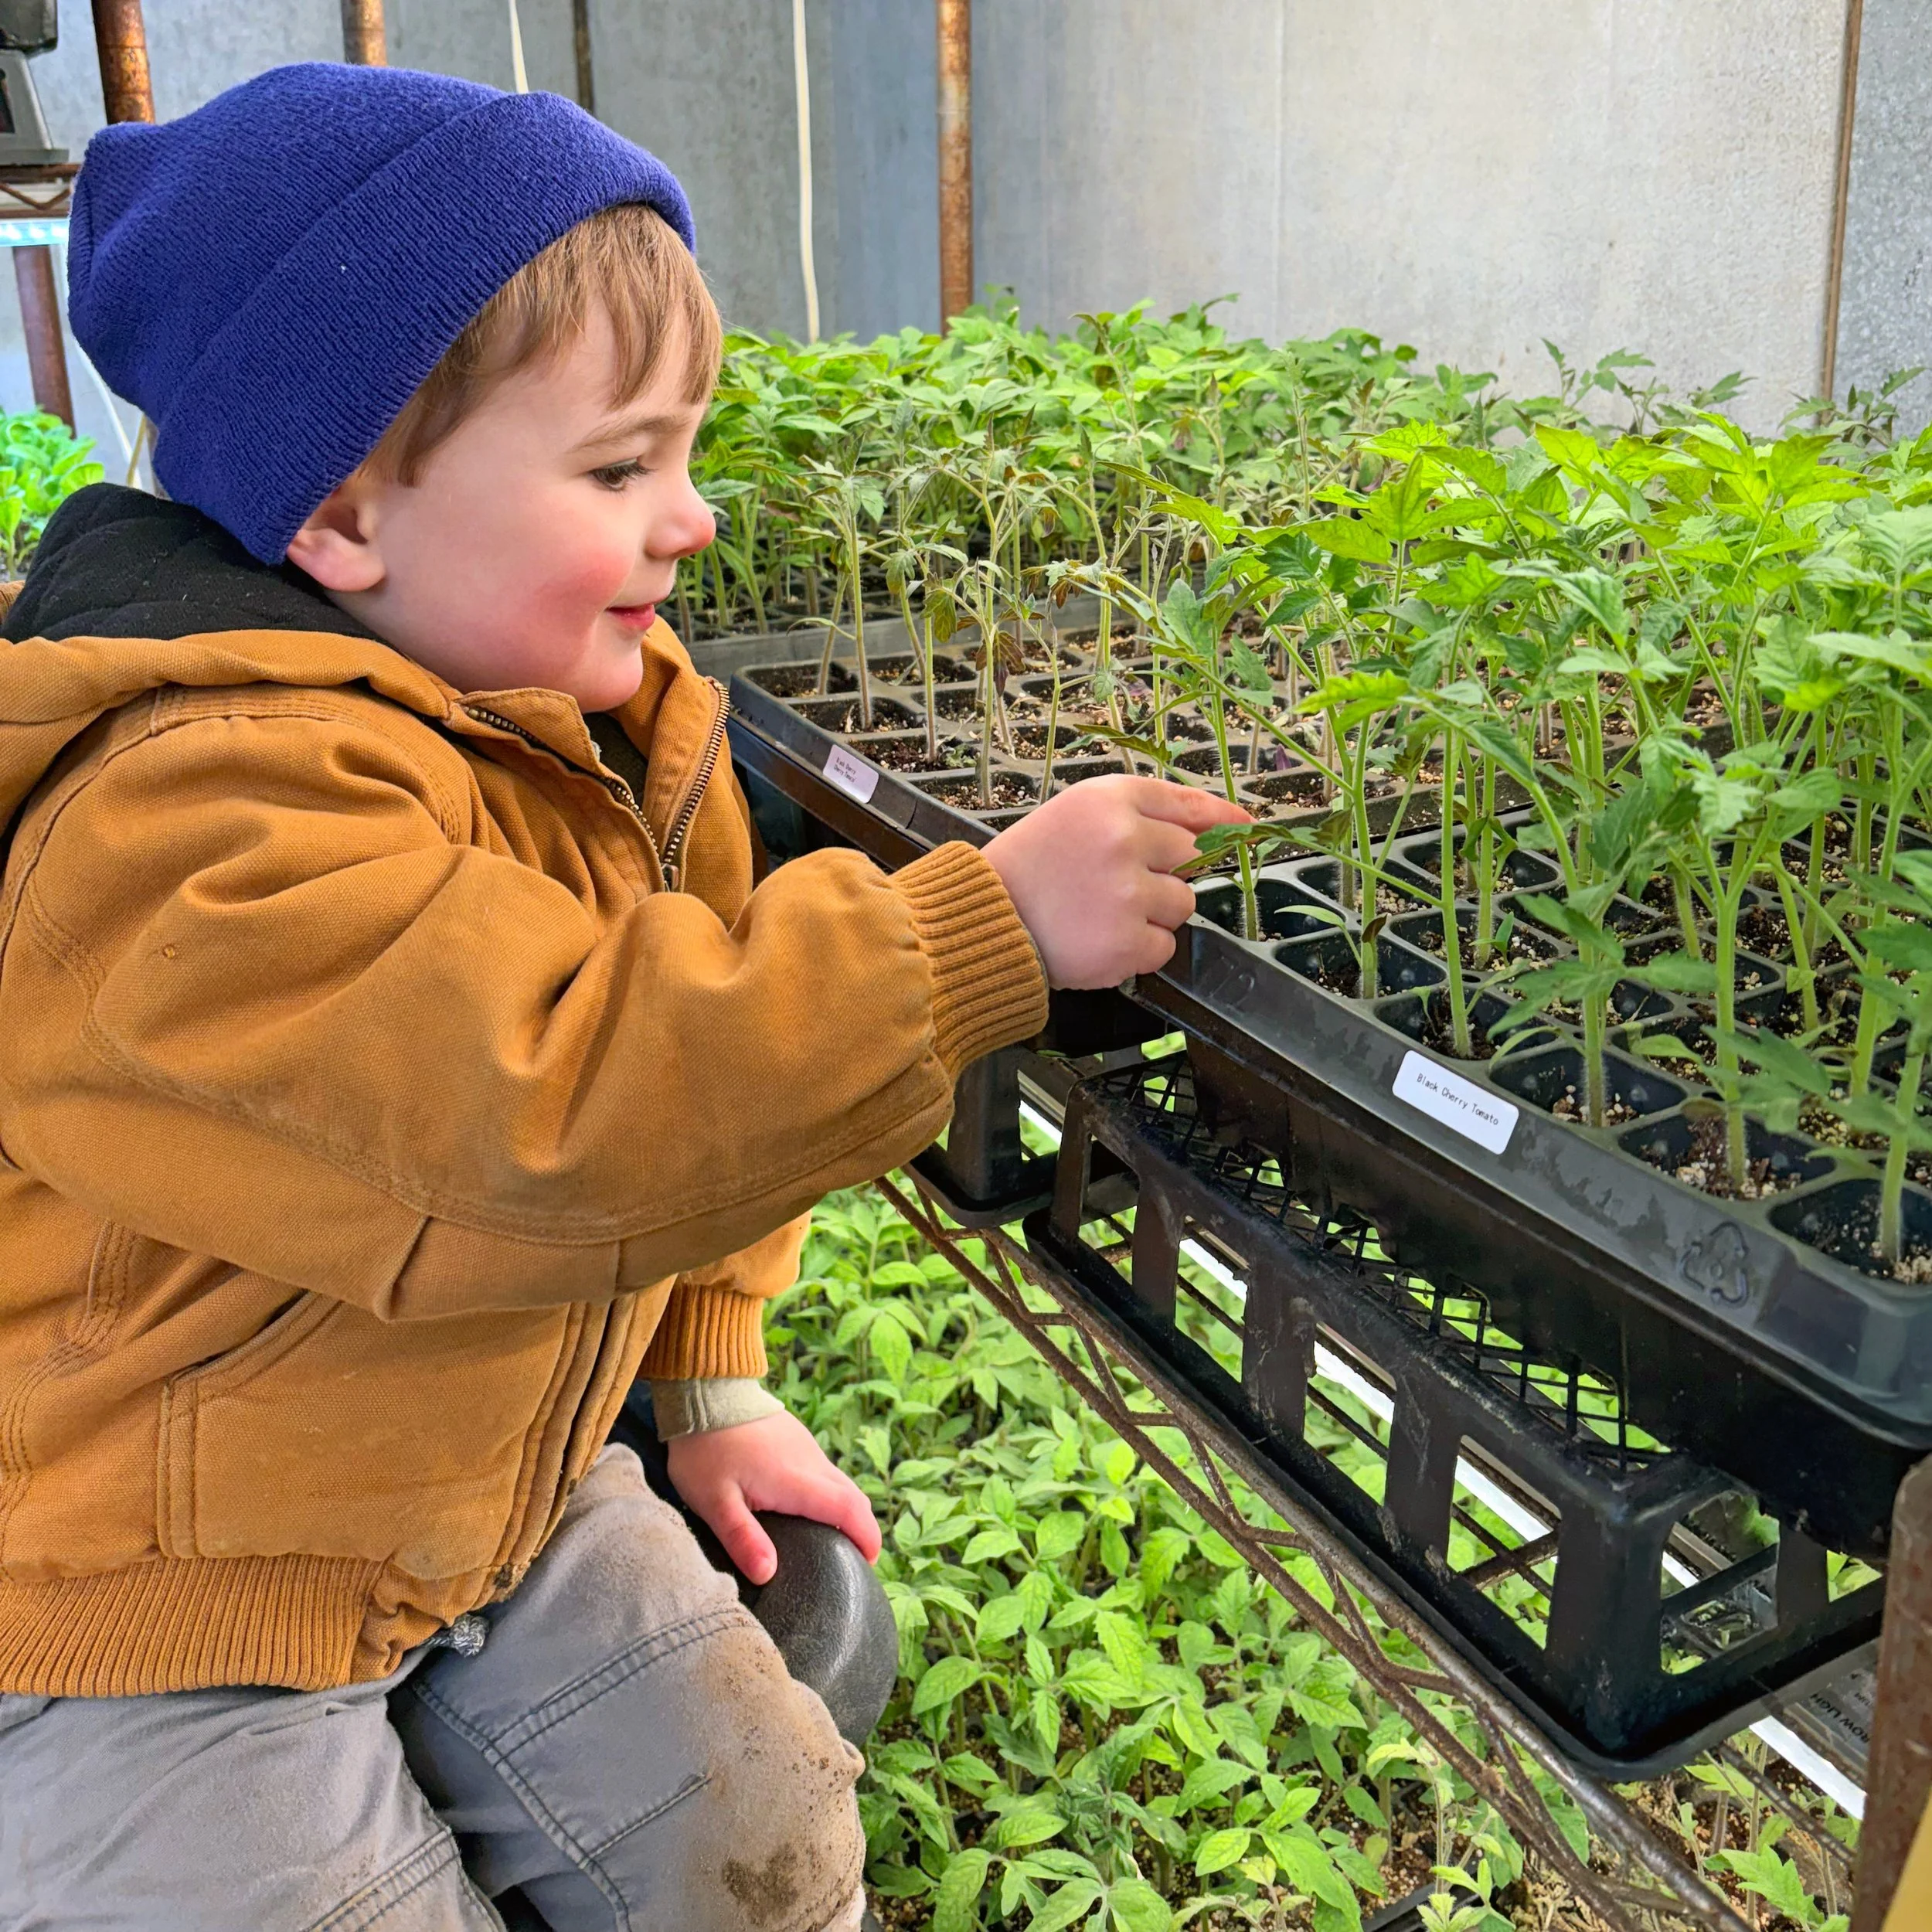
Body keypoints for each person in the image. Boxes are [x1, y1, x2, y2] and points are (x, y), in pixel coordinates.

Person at [0, 61, 1243, 1932]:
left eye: (685, 451)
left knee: (756, 1834)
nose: (693, 521)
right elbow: (560, 1108)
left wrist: (710, 1375)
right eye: (617, 468)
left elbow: (693, 1129)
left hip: (486, 1472)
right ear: (342, 518)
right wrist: (968, 928)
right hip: (149, 1578)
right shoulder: (185, 825)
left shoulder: (591, 725)